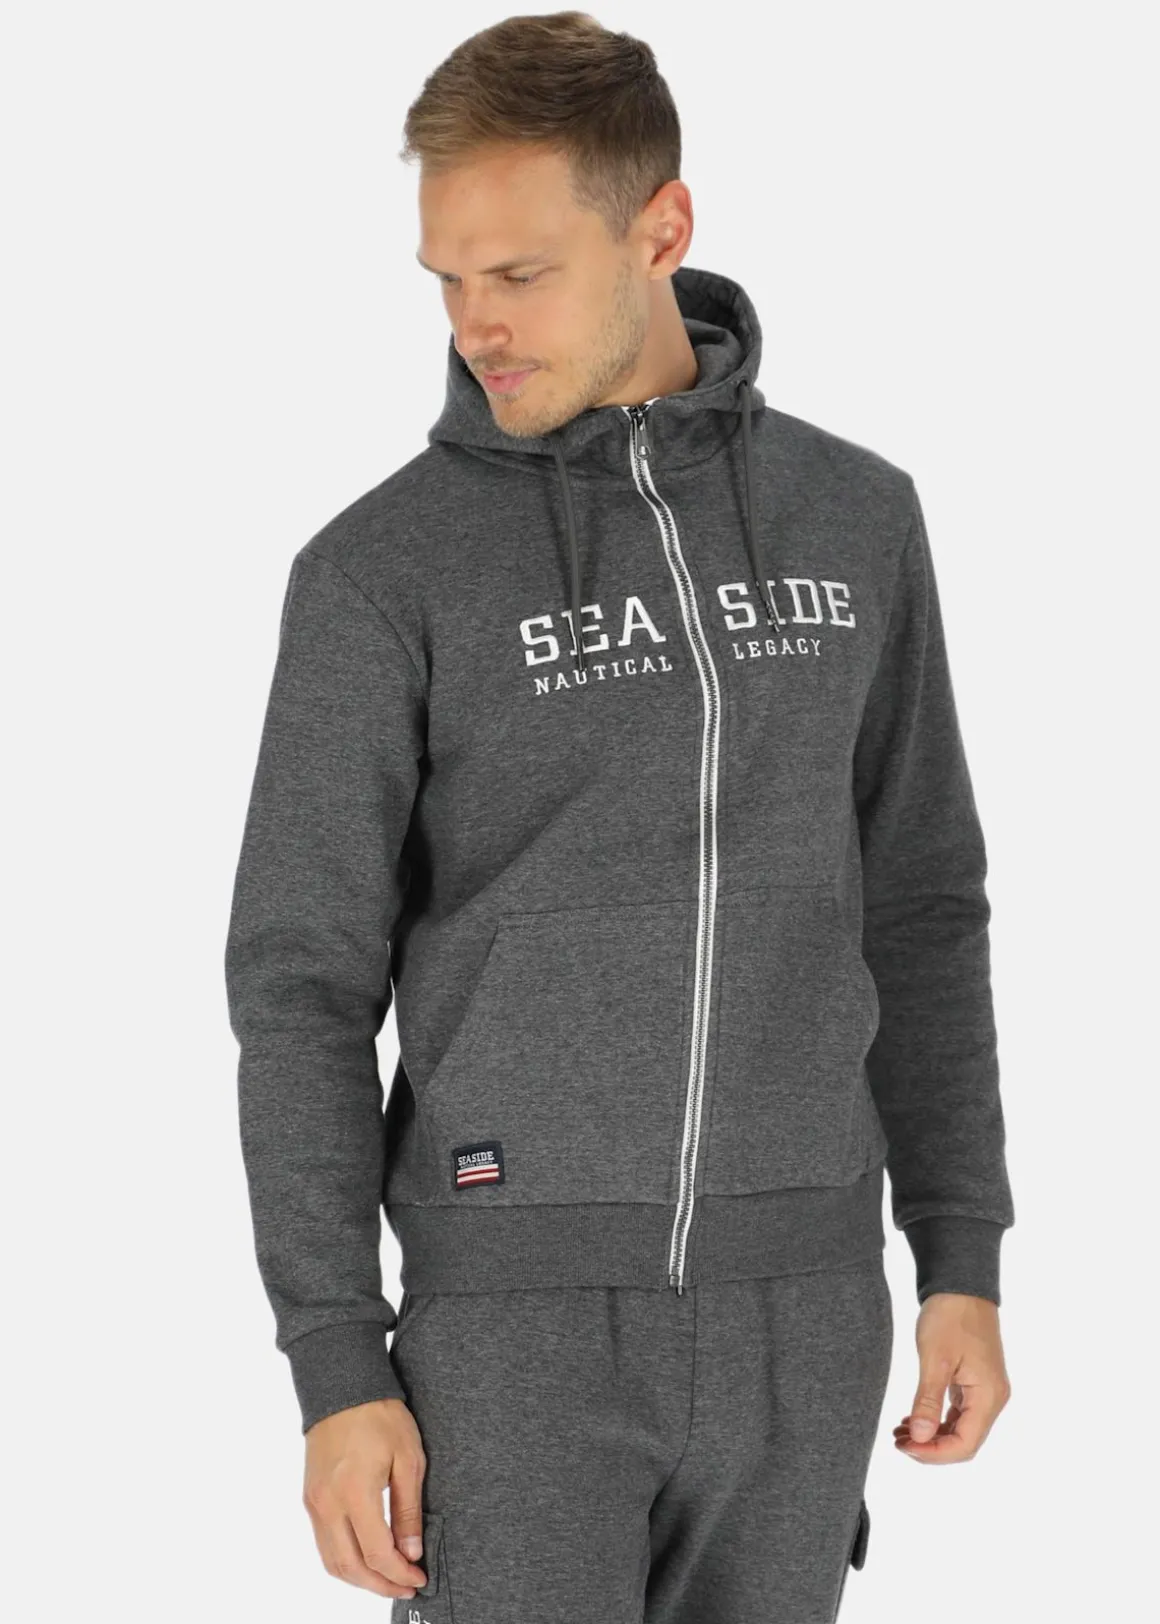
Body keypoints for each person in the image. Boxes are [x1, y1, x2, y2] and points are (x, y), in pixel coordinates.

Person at [224, 11, 1015, 1621]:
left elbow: (922, 900)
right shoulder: (381, 574)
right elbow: (301, 987)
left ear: (662, 227)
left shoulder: (856, 519)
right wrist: (336, 1362)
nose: (477, 324)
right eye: (448, 277)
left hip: (808, 1309)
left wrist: (960, 1255)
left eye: (520, 274)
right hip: (511, 1335)